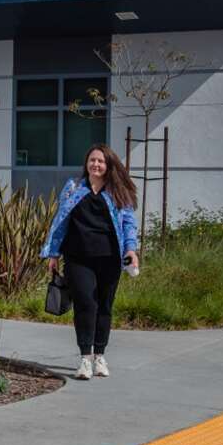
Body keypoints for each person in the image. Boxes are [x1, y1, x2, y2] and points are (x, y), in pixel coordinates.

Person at [41, 144, 139, 380]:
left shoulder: (117, 191)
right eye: (92, 160)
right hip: (77, 258)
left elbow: (128, 224)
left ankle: (100, 356)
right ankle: (85, 358)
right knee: (86, 305)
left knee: (104, 307)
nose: (96, 165)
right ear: (86, 163)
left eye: (101, 161)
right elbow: (60, 221)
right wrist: (53, 253)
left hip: (109, 259)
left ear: (109, 165)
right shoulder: (74, 188)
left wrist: (131, 249)